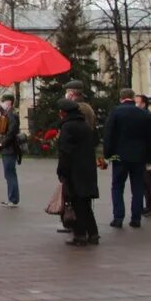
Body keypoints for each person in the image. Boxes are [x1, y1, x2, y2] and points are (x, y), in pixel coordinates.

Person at [103, 88, 151, 229]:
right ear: (133, 98)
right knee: (138, 187)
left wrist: (107, 155)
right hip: (139, 157)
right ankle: (136, 218)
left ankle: (118, 218)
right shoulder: (144, 114)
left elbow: (108, 135)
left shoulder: (115, 112)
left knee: (117, 186)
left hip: (119, 156)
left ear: (121, 98)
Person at [56, 98, 100, 247]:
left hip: (73, 170)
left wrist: (61, 170)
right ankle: (93, 233)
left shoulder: (68, 127)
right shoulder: (85, 125)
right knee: (85, 203)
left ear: (64, 112)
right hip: (87, 169)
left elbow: (65, 151)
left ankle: (80, 235)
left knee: (76, 203)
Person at [133, 93, 151, 217]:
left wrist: (149, 154)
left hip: (148, 155)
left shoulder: (149, 117)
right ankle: (149, 205)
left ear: (143, 104)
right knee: (144, 182)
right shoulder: (140, 116)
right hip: (141, 155)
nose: (135, 104)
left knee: (150, 181)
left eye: (137, 102)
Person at [0, 95, 22, 207]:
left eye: (4, 101)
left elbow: (11, 133)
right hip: (7, 149)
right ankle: (11, 198)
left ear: (9, 102)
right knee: (9, 174)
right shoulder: (7, 114)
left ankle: (13, 199)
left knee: (10, 174)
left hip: (10, 149)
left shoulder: (12, 115)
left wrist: (2, 143)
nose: (3, 103)